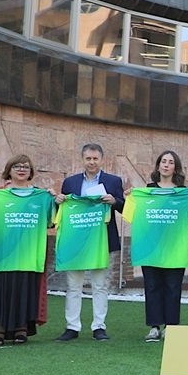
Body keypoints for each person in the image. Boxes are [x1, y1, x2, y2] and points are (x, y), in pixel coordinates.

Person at [0, 155, 51, 346]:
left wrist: (54, 200)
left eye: (26, 166)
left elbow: (51, 222)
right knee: (1, 290)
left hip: (29, 254)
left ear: (31, 172)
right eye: (17, 166)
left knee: (25, 290)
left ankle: (21, 329)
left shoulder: (41, 196)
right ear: (9, 170)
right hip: (2, 254)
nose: (21, 169)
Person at [56, 143, 124, 342]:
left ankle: (98, 327)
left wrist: (115, 201)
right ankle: (72, 327)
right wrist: (58, 200)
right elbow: (63, 210)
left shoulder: (113, 181)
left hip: (101, 241)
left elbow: (123, 207)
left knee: (100, 284)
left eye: (95, 158)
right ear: (82, 159)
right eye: (88, 158)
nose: (92, 162)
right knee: (73, 285)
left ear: (102, 160)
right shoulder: (70, 182)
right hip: (75, 241)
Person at [142, 151, 188, 342]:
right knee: (152, 286)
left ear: (175, 167)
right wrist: (131, 197)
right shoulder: (147, 190)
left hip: (174, 248)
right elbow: (140, 217)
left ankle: (171, 327)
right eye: (163, 161)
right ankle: (154, 327)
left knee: (173, 287)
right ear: (158, 166)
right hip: (151, 247)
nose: (166, 165)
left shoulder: (183, 193)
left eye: (170, 162)